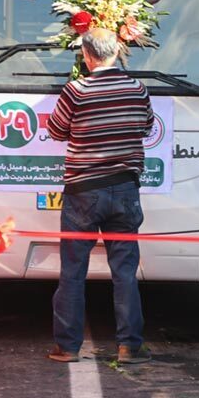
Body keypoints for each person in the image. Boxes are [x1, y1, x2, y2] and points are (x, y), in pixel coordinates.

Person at [45, 27, 154, 364]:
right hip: (125, 189)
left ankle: (68, 347)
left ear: (87, 56)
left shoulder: (76, 90)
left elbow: (56, 130)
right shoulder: (137, 89)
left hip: (83, 192)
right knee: (124, 271)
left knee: (73, 271)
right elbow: (147, 126)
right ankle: (128, 347)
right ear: (116, 52)